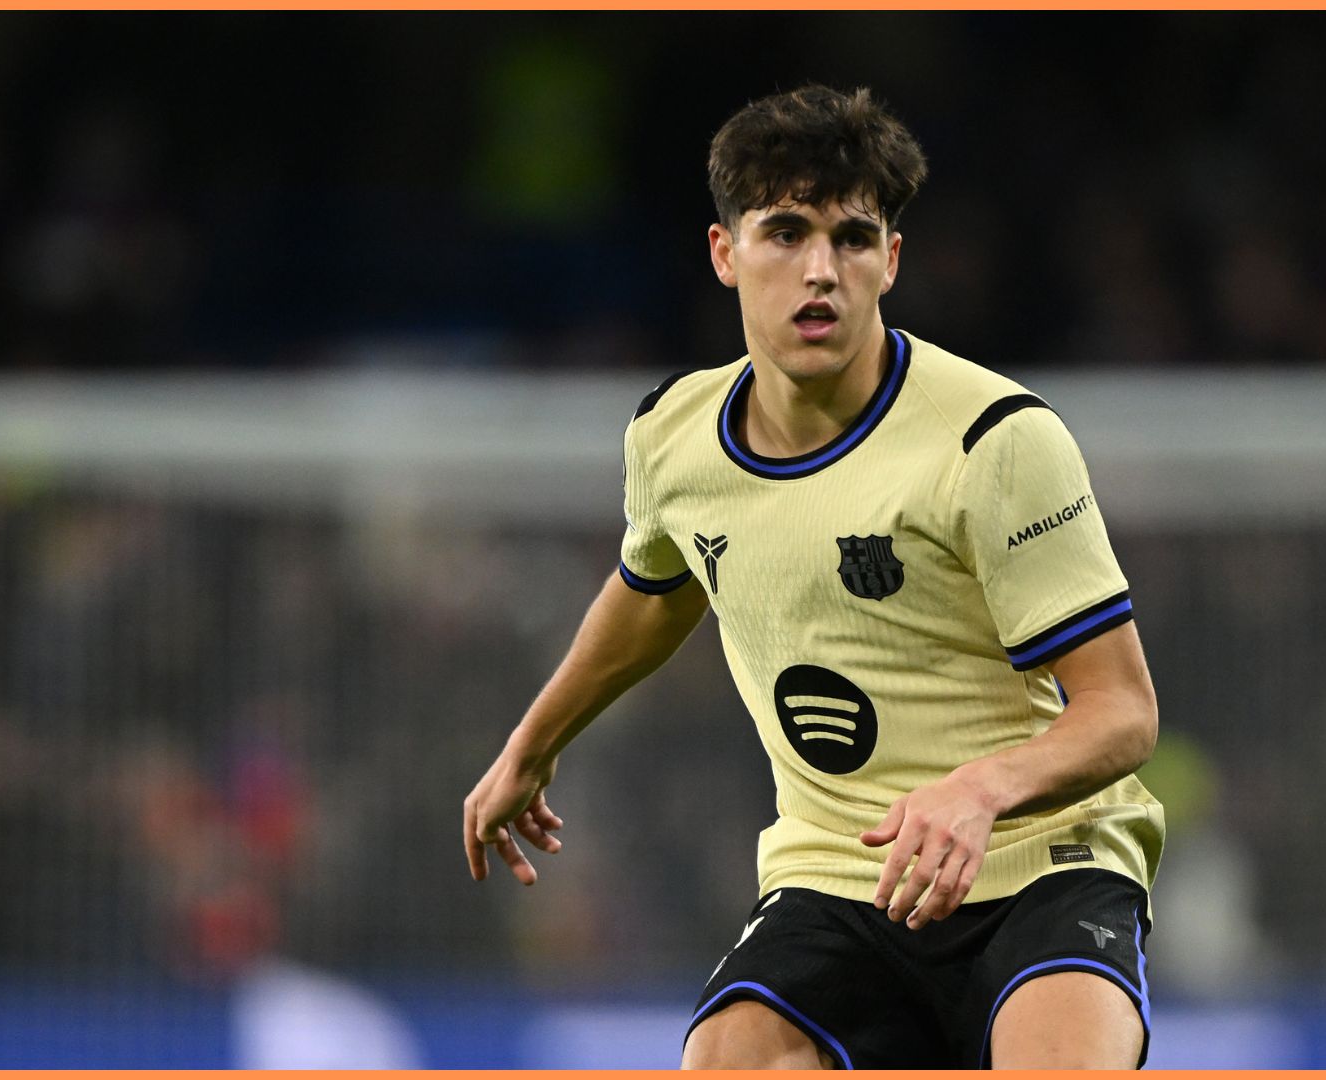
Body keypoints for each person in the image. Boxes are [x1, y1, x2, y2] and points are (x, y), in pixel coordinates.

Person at [463, 84, 1164, 1069]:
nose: (821, 270)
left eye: (853, 238)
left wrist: (979, 790)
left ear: (892, 262)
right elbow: (657, 590)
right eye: (786, 233)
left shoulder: (995, 440)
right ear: (725, 253)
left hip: (1044, 863)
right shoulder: (673, 438)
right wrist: (534, 744)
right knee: (727, 1059)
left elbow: (1123, 711)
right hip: (839, 871)